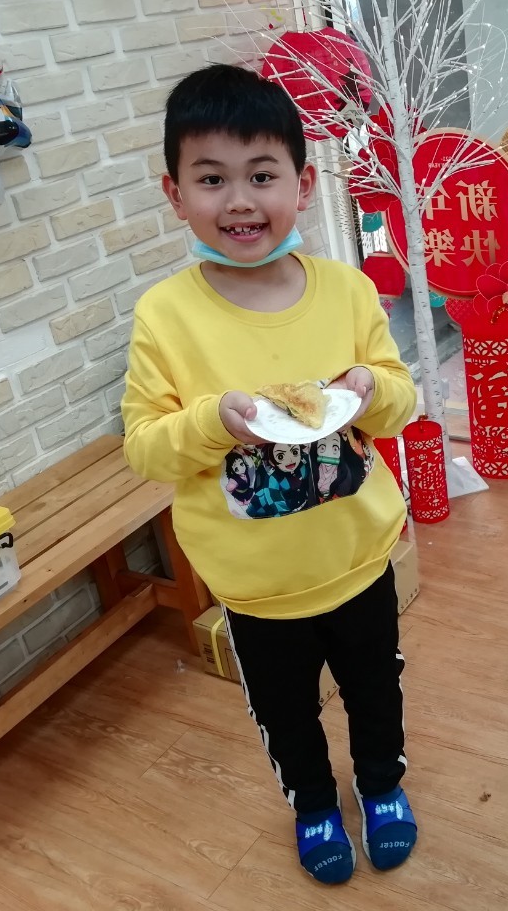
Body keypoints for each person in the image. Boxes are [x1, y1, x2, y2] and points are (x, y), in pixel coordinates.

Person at [121, 64, 419, 885]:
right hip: (254, 584)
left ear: (304, 184)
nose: (240, 201)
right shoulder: (165, 315)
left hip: (359, 558)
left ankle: (382, 786)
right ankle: (314, 804)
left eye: (262, 175)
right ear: (175, 194)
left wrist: (371, 388)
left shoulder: (347, 290)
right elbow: (145, 450)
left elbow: (401, 401)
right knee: (285, 712)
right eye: (211, 179)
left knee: (377, 690)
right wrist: (211, 421)